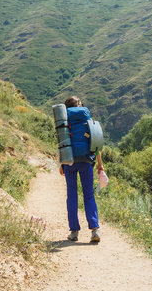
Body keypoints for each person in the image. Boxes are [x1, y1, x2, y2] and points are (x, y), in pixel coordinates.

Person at [59, 96, 104, 242]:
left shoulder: (64, 122)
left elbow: (62, 143)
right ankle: (94, 230)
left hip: (69, 161)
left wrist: (62, 163)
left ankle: (74, 232)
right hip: (86, 160)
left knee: (71, 196)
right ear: (80, 106)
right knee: (88, 195)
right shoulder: (88, 120)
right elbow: (96, 143)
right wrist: (100, 165)